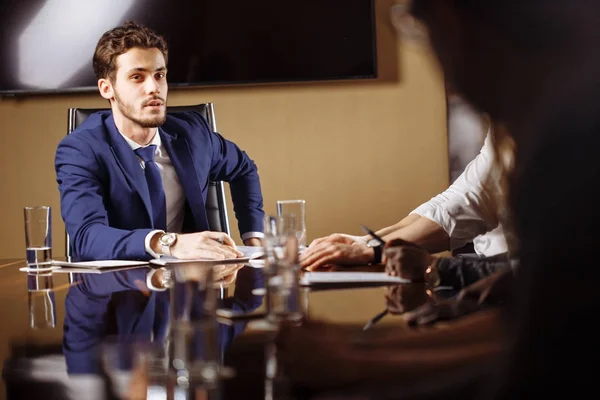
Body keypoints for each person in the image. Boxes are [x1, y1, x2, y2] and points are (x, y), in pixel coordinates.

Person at [55, 21, 265, 275]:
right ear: (106, 88)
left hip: (191, 294)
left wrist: (254, 237)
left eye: (159, 75)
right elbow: (87, 237)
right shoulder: (80, 149)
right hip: (116, 296)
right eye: (137, 77)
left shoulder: (192, 133)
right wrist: (168, 243)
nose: (154, 87)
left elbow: (244, 168)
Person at [301, 126, 511, 274]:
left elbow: (468, 207)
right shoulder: (510, 120)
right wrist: (367, 242)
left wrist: (372, 251)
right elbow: (462, 197)